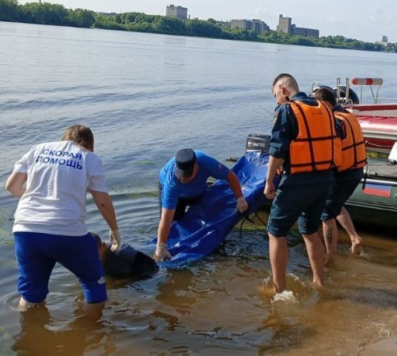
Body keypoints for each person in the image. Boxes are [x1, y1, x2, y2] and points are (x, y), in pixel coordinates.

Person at [5, 124, 120, 315]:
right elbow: (103, 203)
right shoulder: (89, 157)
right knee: (93, 282)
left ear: (63, 139)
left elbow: (11, 186)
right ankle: (93, 334)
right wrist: (115, 231)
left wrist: (37, 203)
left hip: (26, 230)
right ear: (90, 145)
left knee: (31, 294)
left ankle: (30, 334)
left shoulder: (38, 149)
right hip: (66, 231)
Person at [265, 73, 336, 293]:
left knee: (276, 231)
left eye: (276, 95)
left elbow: (277, 150)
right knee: (309, 230)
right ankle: (319, 282)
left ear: (283, 89)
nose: (276, 101)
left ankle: (279, 291)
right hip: (324, 179)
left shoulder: (287, 110)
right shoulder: (324, 108)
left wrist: (269, 182)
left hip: (298, 180)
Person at [154, 148, 248, 261]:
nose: (183, 179)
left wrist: (240, 198)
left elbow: (230, 176)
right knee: (174, 223)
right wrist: (160, 246)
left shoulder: (206, 163)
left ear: (196, 168)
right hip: (177, 194)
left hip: (197, 188)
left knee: (203, 214)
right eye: (181, 176)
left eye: (187, 176)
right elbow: (166, 219)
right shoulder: (171, 183)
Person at [311, 86, 366, 257]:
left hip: (342, 173)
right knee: (336, 204)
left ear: (325, 103)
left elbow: (326, 148)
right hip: (356, 169)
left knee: (326, 214)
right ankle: (354, 238)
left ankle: (330, 255)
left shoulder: (333, 121)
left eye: (315, 103)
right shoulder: (347, 115)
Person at [90, 232, 159, 279]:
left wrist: (124, 281)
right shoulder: (82, 259)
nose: (89, 257)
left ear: (103, 246)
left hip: (140, 268)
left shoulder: (122, 253)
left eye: (93, 251)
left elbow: (152, 266)